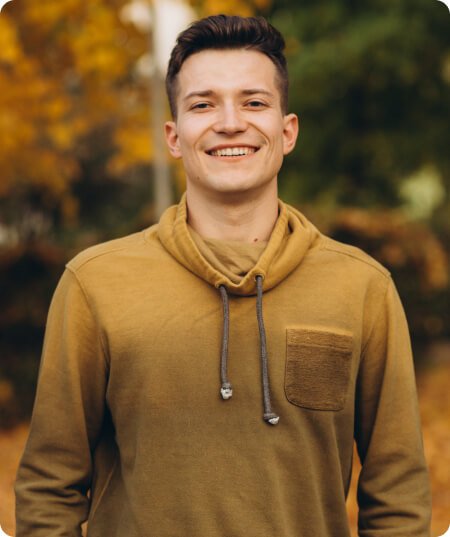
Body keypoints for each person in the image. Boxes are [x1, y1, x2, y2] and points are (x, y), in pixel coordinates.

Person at [15, 14, 431, 537]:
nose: (230, 122)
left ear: (288, 131)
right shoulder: (94, 284)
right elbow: (49, 488)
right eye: (203, 104)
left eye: (253, 102)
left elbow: (398, 497)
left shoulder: (363, 288)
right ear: (173, 136)